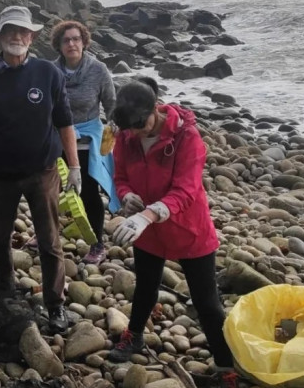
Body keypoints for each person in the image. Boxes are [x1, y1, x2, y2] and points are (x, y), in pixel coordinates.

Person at [0, 6, 81, 333]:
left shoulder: (49, 74)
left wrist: (75, 166)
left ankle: (55, 305)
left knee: (50, 242)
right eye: (10, 30)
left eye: (23, 31)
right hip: (0, 175)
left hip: (43, 172)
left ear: (33, 36)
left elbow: (65, 123)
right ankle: (5, 290)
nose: (16, 37)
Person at [107, 80, 238, 387]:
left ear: (156, 108)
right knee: (145, 286)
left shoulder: (186, 137)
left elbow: (187, 189)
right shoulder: (126, 135)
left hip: (187, 227)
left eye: (142, 125)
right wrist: (126, 196)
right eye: (131, 129)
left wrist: (149, 214)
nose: (136, 133)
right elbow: (120, 175)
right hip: (147, 226)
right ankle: (134, 336)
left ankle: (226, 368)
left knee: (206, 301)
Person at [44, 20, 119, 265]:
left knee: (88, 192)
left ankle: (97, 244)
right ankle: (46, 234)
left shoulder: (98, 70)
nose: (72, 44)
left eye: (76, 39)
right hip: (57, 138)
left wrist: (110, 141)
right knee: (48, 190)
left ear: (84, 42)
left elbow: (111, 106)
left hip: (89, 139)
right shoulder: (50, 71)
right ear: (59, 45)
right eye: (66, 40)